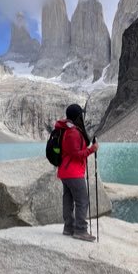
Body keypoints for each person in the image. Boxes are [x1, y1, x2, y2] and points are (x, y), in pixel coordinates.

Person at [54, 103, 99, 242]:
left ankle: (68, 228)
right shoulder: (73, 132)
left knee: (68, 199)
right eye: (81, 114)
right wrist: (93, 149)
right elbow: (76, 154)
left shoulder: (67, 130)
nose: (83, 117)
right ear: (78, 116)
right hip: (73, 173)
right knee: (82, 200)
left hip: (65, 172)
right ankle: (80, 230)